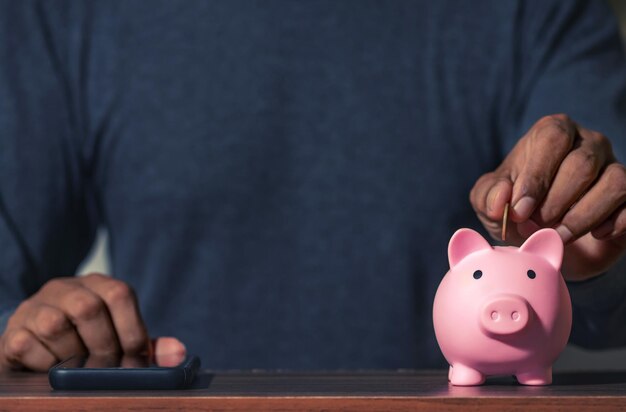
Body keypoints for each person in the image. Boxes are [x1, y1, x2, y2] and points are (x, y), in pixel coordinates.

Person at [0, 0, 625, 371]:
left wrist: (594, 249)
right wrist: (28, 332)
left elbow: (607, 271)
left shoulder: (536, 10)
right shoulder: (66, 13)